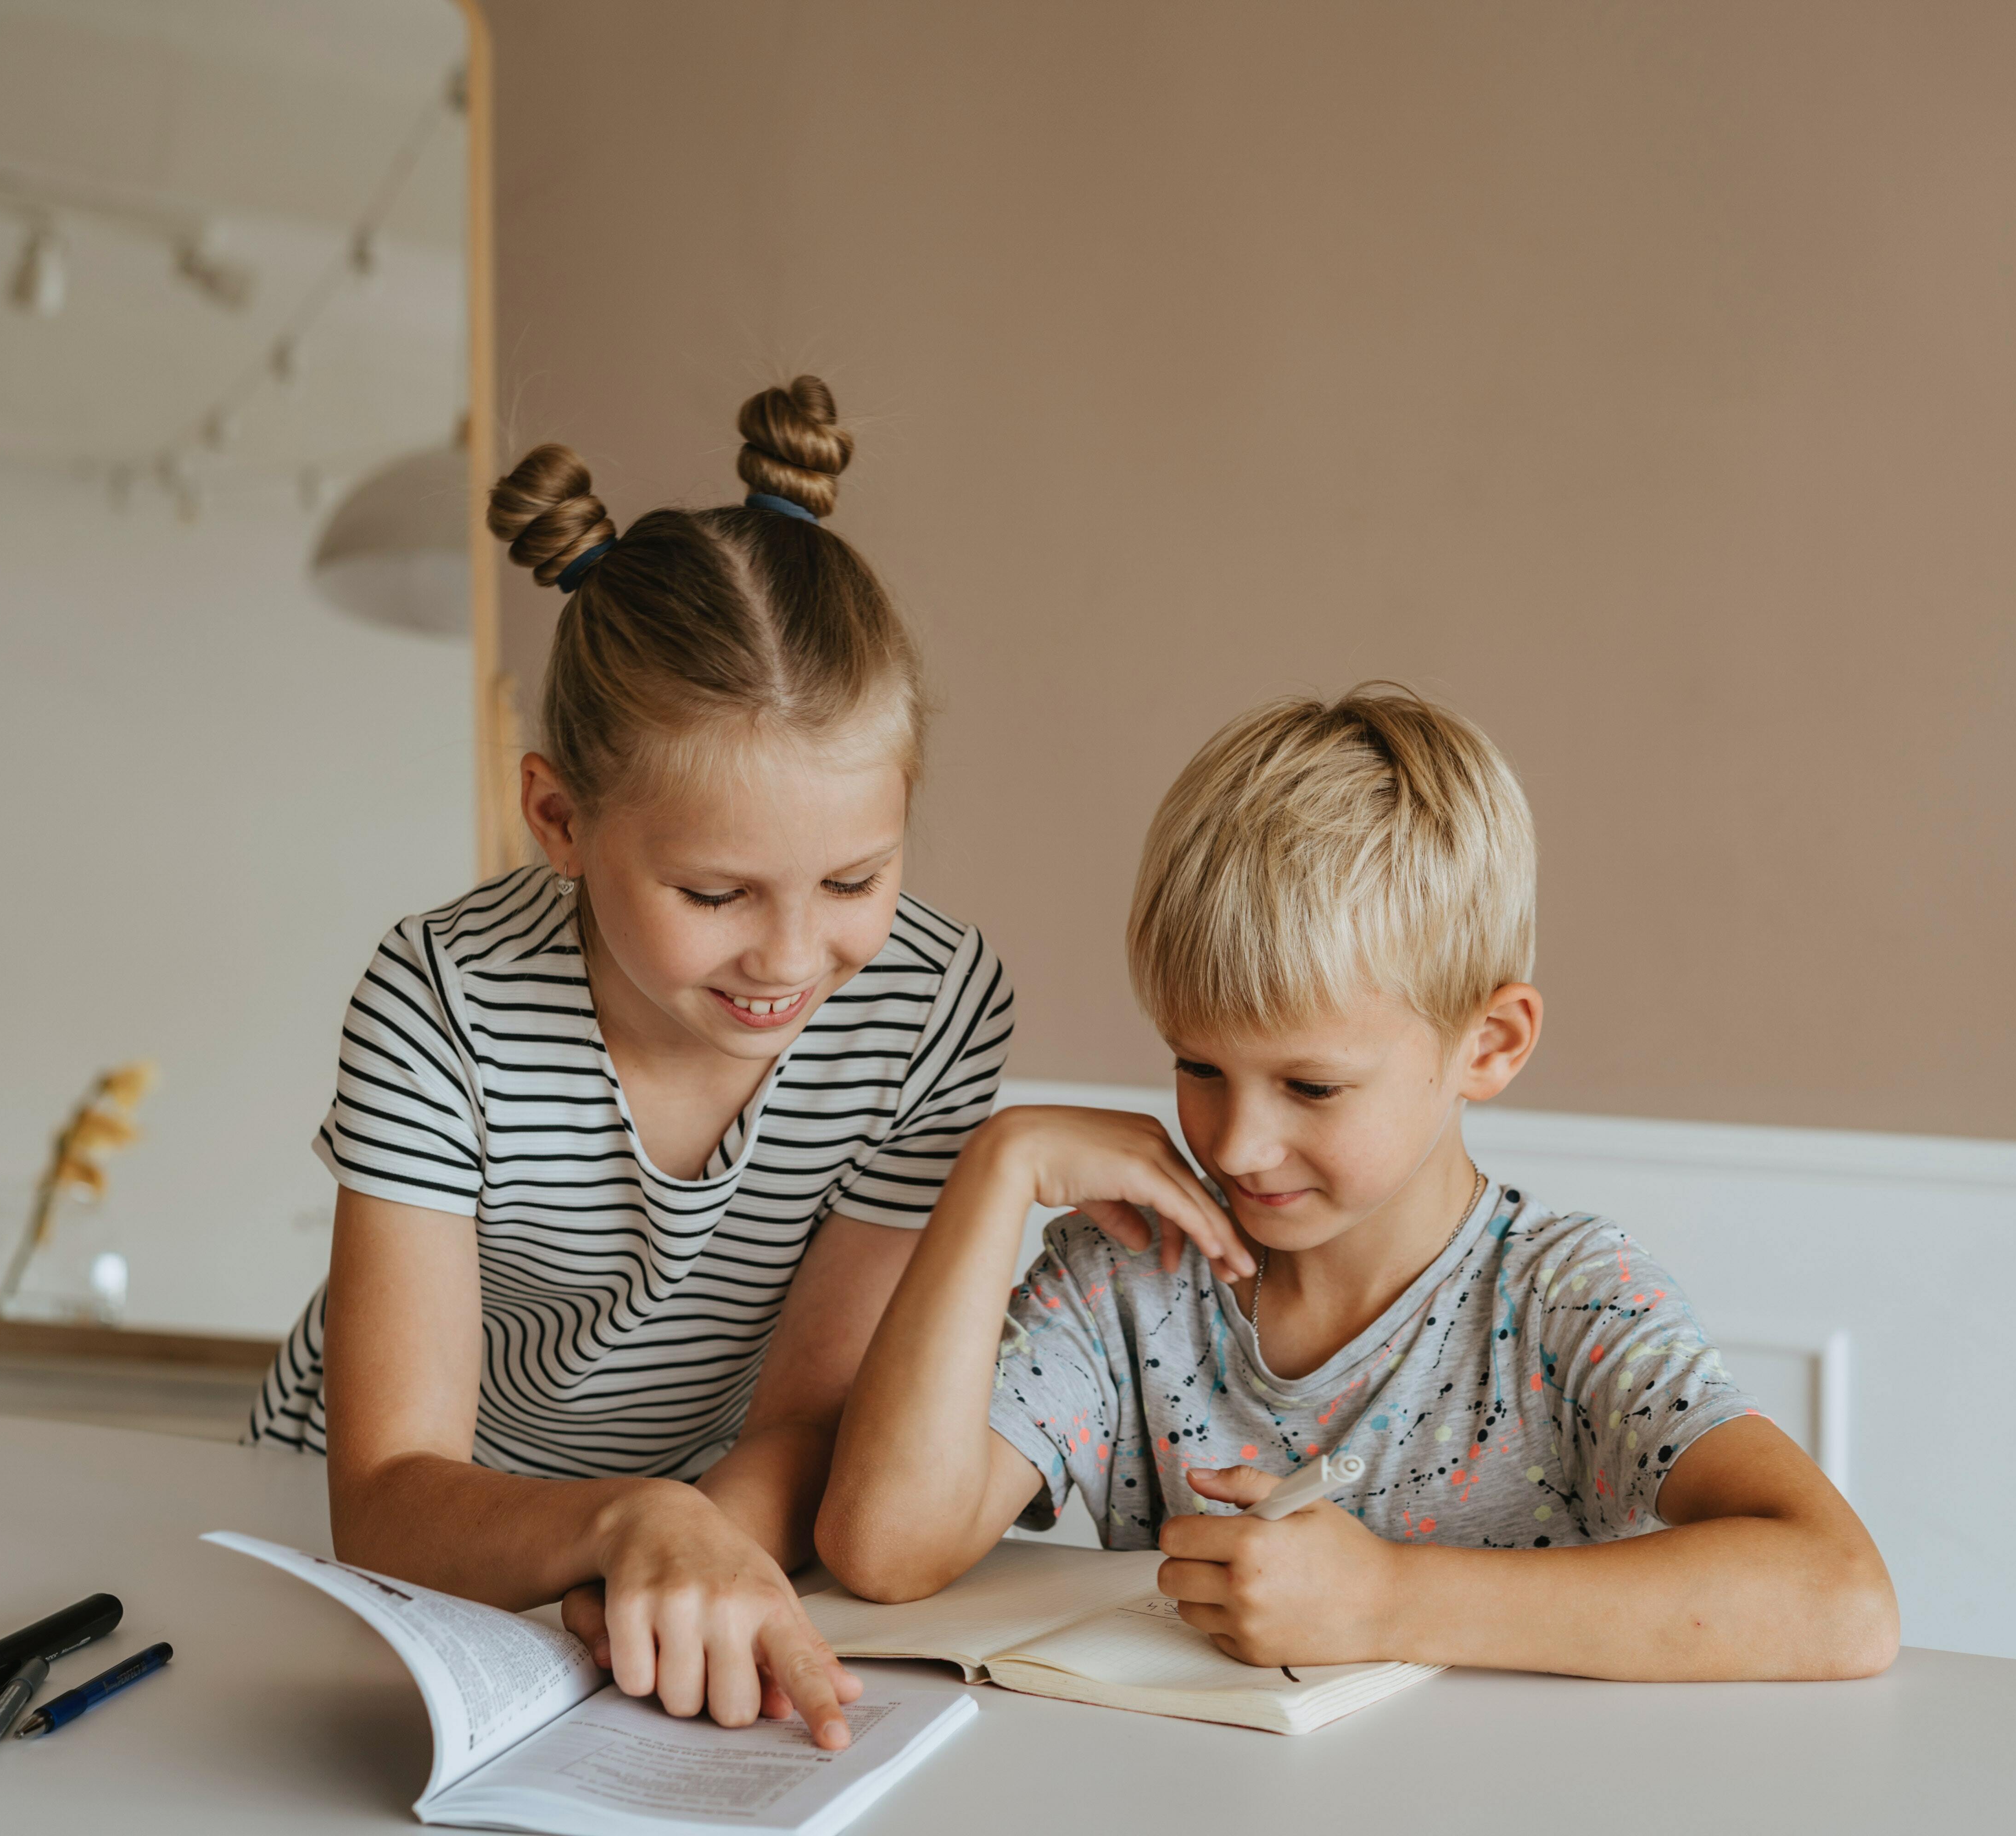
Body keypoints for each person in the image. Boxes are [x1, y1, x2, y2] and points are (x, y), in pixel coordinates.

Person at [819, 687, 1897, 1681]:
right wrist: (996, 1167)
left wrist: (1384, 1599)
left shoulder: (1566, 1300)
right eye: (1199, 1065)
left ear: (1489, 1043)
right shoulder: (1126, 1278)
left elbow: (1841, 1597)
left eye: (1313, 1084)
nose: (1238, 1144)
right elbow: (883, 1548)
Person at [248, 378, 1011, 1750]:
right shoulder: (440, 999)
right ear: (558, 817)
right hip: (409, 1532)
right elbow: (385, 1492)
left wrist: (682, 1551)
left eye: (854, 877)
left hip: (697, 1528)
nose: (790, 957)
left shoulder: (935, 1004)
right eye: (717, 895)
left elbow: (807, 1415)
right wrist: (629, 1532)